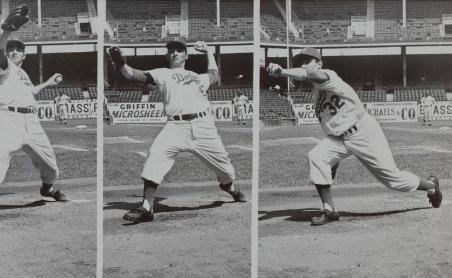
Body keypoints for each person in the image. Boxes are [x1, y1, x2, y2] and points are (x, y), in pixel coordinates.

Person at [267, 47, 442, 226]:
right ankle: (330, 210)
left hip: (363, 132)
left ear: (319, 63)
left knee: (393, 180)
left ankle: (431, 186)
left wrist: (282, 71)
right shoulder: (316, 94)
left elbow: (310, 75)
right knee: (317, 156)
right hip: (340, 139)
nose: (303, 65)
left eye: (307, 61)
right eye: (301, 62)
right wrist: (332, 159)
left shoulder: (329, 75)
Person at [108, 40, 246, 223]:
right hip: (175, 127)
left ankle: (230, 189)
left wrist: (209, 52)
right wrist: (120, 62)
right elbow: (133, 74)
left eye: (179, 51)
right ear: (167, 55)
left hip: (203, 126)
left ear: (186, 56)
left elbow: (214, 73)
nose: (174, 53)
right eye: (171, 51)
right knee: (155, 156)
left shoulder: (198, 77)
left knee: (227, 171)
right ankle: (147, 208)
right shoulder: (162, 74)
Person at [0, 6, 68, 222]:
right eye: (11, 48)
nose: (13, 51)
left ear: (24, 54)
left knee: (51, 167)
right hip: (8, 119)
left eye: (18, 49)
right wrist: (6, 32)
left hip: (31, 121)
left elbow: (30, 92)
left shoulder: (22, 73)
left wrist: (49, 83)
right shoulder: (4, 66)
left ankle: (47, 188)